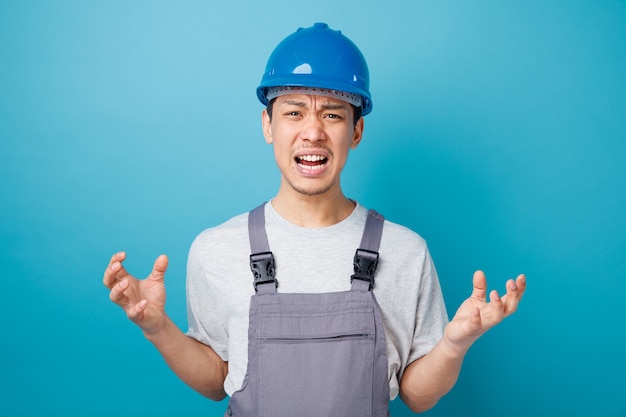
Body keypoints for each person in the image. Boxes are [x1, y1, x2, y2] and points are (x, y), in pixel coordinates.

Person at [103, 23, 526, 416]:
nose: (312, 132)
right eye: (293, 112)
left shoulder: (405, 251)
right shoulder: (215, 249)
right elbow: (217, 380)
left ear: (356, 132)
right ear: (267, 124)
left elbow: (416, 395)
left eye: (332, 113)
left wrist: (454, 344)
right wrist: (158, 328)